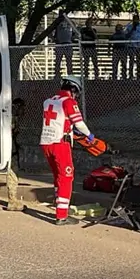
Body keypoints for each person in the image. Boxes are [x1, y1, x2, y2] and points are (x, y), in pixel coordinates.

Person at [41, 77, 93, 225]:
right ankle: (62, 215)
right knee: (66, 177)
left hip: (46, 142)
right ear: (74, 89)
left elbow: (59, 121)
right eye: (76, 93)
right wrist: (88, 134)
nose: (76, 96)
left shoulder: (48, 101)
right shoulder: (68, 102)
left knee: (58, 176)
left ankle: (59, 207)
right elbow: (79, 123)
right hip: (60, 144)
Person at [0, 98, 26, 212]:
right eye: (21, 108)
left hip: (10, 147)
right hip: (0, 146)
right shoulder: (5, 114)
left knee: (13, 172)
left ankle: (12, 200)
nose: (23, 111)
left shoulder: (14, 117)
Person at [53, 12, 76, 78]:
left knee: (69, 61)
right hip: (59, 44)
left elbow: (76, 33)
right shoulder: (57, 22)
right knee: (58, 61)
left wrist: (72, 38)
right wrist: (54, 39)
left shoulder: (71, 22)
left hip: (68, 44)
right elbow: (50, 32)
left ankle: (70, 75)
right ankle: (57, 75)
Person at [125, 13, 140, 79]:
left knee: (138, 60)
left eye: (137, 19)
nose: (136, 20)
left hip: (139, 45)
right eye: (134, 19)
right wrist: (132, 29)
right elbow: (126, 36)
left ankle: (138, 75)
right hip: (131, 45)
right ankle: (131, 75)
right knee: (131, 60)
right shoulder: (129, 26)